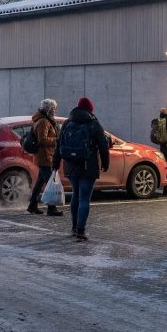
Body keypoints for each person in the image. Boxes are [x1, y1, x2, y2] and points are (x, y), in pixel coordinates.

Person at [52, 97, 109, 241]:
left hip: (70, 165)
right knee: (84, 199)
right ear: (90, 109)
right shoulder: (94, 124)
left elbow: (58, 145)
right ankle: (80, 231)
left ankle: (73, 227)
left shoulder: (67, 122)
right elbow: (103, 145)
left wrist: (55, 164)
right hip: (87, 166)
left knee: (76, 196)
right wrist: (105, 163)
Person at [27, 98, 62, 216]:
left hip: (46, 156)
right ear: (47, 109)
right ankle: (52, 208)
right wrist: (56, 140)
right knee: (49, 183)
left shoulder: (46, 121)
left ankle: (32, 205)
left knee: (40, 182)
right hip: (44, 156)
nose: (54, 111)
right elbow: (42, 139)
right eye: (53, 109)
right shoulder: (43, 122)